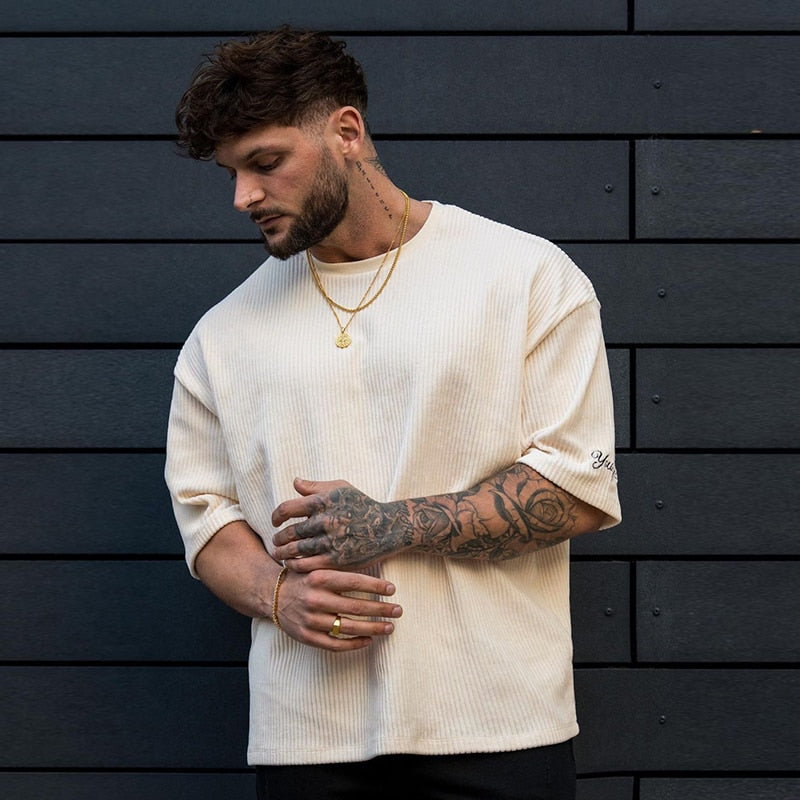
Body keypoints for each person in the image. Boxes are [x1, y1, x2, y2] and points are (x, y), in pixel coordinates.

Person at [165, 25, 621, 800]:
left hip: (499, 723)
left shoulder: (524, 277)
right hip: (306, 735)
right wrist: (277, 594)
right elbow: (206, 518)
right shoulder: (224, 334)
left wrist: (392, 523)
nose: (243, 197)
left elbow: (576, 490)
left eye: (265, 163)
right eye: (231, 173)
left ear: (346, 133)